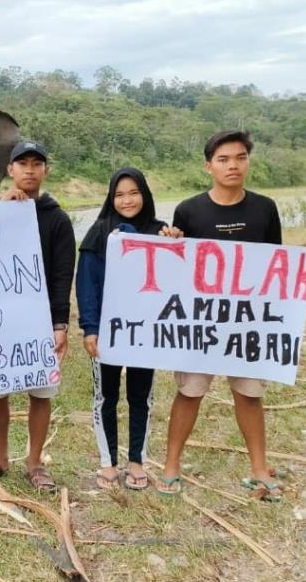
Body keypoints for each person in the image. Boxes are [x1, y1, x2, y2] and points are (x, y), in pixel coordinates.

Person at [155, 130, 306, 501]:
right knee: (189, 392)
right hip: (203, 321)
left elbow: (274, 263)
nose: (232, 165)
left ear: (248, 162)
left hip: (249, 321)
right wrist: (170, 242)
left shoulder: (264, 208)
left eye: (240, 158)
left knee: (250, 395)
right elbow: (180, 268)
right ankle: (171, 469)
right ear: (208, 166)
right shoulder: (189, 210)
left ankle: (258, 468)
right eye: (223, 159)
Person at [0, 141, 75, 493]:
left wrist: (60, 325)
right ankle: (0, 459)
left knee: (40, 393)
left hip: (38, 320)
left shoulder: (56, 218)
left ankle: (34, 462)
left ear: (46, 171)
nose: (29, 170)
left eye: (37, 164)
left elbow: (62, 275)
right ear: (9, 170)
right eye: (22, 164)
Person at [76, 168, 181, 490]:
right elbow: (88, 285)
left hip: (145, 333)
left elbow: (178, 280)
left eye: (133, 192)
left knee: (140, 397)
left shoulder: (160, 232)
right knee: (105, 397)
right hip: (109, 332)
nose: (127, 200)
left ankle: (137, 460)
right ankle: (108, 463)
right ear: (111, 198)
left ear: (145, 194)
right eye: (119, 194)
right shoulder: (98, 233)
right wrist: (90, 328)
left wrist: (178, 245)